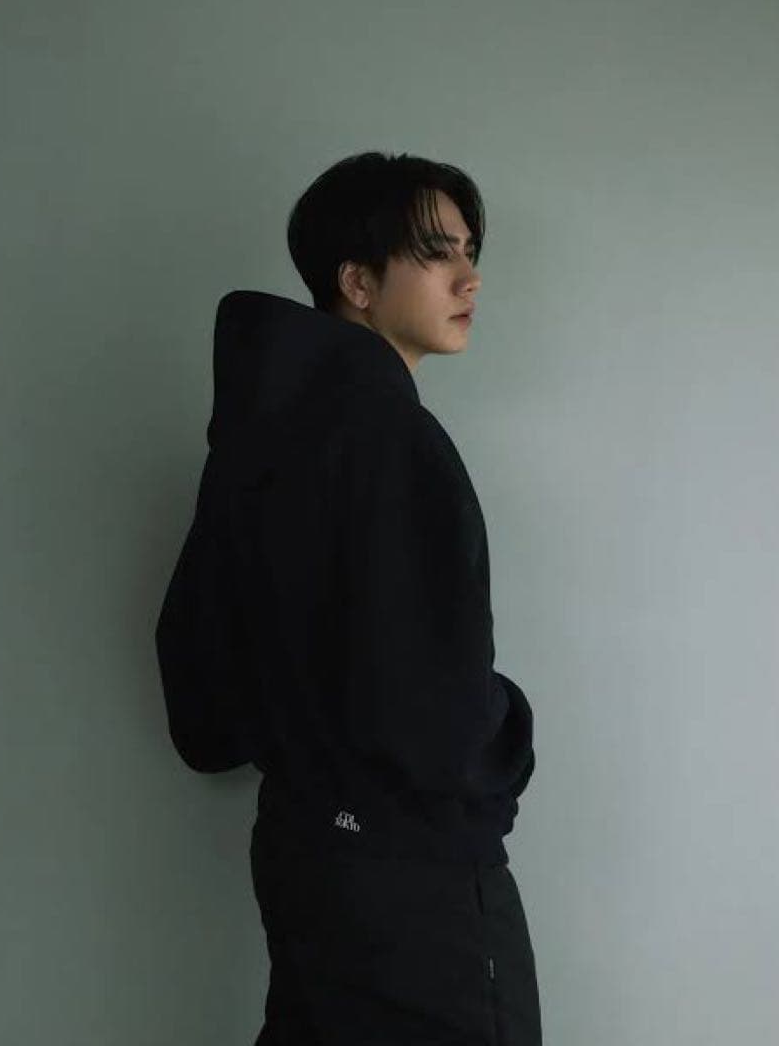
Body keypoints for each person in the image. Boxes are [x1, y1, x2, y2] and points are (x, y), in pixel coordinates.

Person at [155, 150, 541, 1044]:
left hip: (304, 851)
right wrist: (507, 732)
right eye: (436, 254)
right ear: (357, 283)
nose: (469, 278)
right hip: (414, 872)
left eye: (470, 251)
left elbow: (200, 693)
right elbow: (434, 704)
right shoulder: (389, 437)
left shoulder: (255, 439)